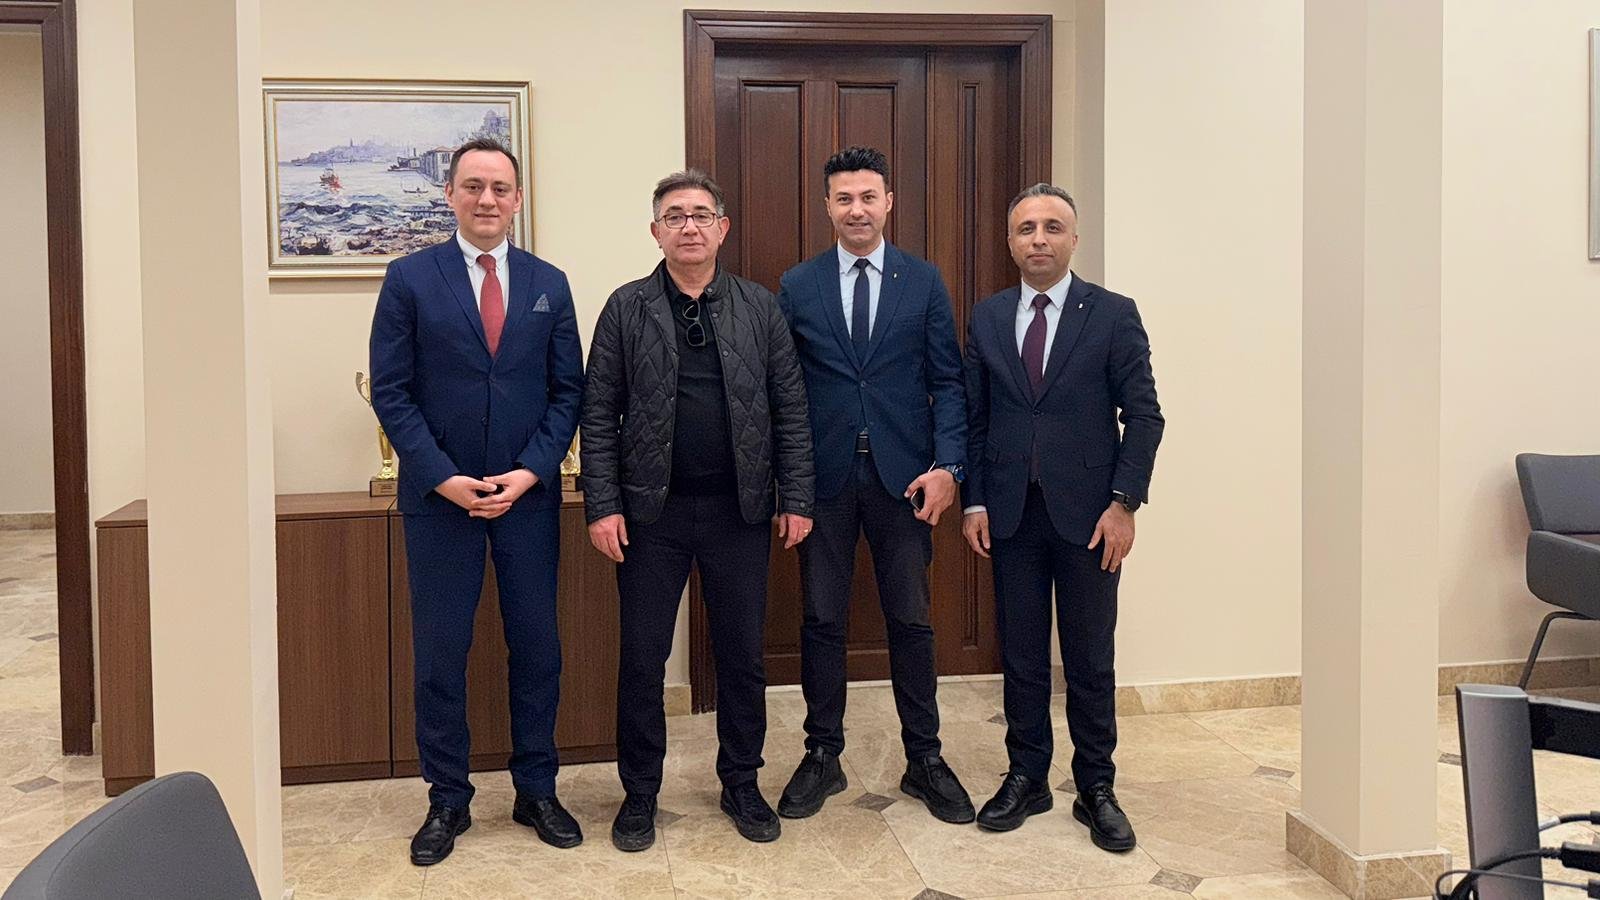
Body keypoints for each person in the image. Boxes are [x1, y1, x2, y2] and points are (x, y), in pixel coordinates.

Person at [581, 169, 815, 850]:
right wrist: (602, 505)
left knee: (742, 657)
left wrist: (797, 497)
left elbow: (790, 408)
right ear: (655, 231)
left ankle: (741, 782)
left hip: (739, 513)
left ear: (722, 228)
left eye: (701, 214)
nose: (689, 226)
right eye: (675, 216)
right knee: (641, 659)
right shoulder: (626, 308)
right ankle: (639, 794)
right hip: (649, 516)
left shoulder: (759, 307)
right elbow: (598, 414)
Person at [368, 138, 585, 864]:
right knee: (440, 654)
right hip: (441, 501)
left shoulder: (549, 283)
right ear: (451, 195)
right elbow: (392, 391)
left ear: (517, 199)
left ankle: (537, 789)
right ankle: (447, 799)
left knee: (538, 648)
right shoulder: (409, 278)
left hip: (528, 499)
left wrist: (530, 472)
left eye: (499, 188)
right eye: (472, 186)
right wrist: (441, 476)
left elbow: (568, 392)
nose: (486, 199)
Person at [961, 183, 1163, 851]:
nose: (1039, 239)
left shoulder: (1112, 314)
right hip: (1011, 515)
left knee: (1089, 658)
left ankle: (1096, 786)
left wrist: (1124, 503)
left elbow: (1145, 416)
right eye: (1026, 228)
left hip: (1091, 519)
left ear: (1075, 239)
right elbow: (977, 417)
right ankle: (1026, 776)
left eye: (1052, 227)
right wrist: (976, 501)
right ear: (1010, 241)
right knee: (1021, 656)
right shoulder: (989, 317)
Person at [774, 146, 973, 824]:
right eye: (844, 198)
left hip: (906, 481)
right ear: (827, 207)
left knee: (911, 620)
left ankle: (925, 758)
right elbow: (784, 391)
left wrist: (949, 468)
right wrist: (791, 487)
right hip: (824, 481)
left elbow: (949, 383)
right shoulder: (798, 284)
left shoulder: (924, 281)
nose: (856, 209)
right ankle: (822, 754)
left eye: (868, 197)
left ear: (888, 202)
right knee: (822, 619)